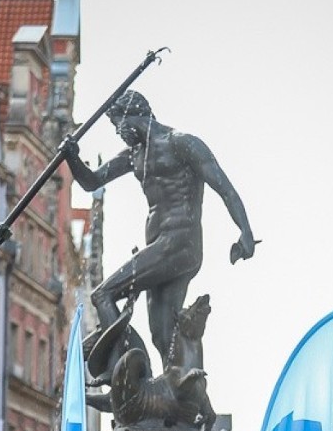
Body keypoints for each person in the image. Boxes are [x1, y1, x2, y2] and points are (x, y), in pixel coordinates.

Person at [64, 90, 255, 379]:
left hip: (180, 241)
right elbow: (93, 181)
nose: (118, 133)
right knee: (162, 333)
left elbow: (224, 187)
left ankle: (122, 376)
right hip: (160, 245)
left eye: (117, 125)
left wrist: (245, 231)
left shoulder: (181, 143)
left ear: (129, 118)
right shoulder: (135, 154)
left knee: (103, 294)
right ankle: (179, 399)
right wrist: (71, 156)